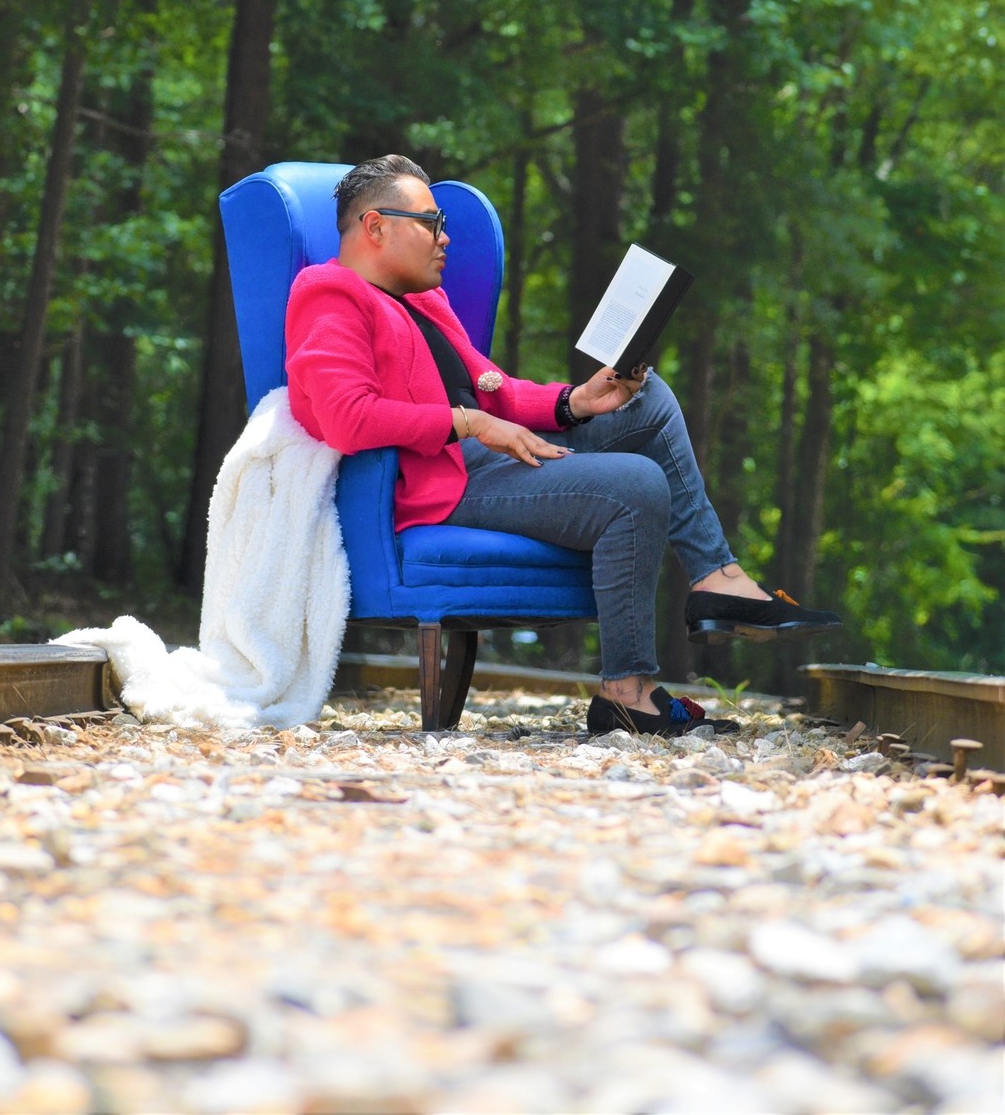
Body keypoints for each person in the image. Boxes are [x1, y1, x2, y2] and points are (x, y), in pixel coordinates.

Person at [285, 154, 840, 738]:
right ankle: (628, 693)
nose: (445, 238)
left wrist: (577, 401)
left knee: (646, 401)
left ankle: (717, 578)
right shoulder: (330, 296)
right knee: (636, 484)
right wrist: (470, 424)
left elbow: (495, 390)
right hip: (439, 481)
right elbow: (348, 417)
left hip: (484, 453)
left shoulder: (423, 301)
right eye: (431, 222)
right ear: (375, 227)